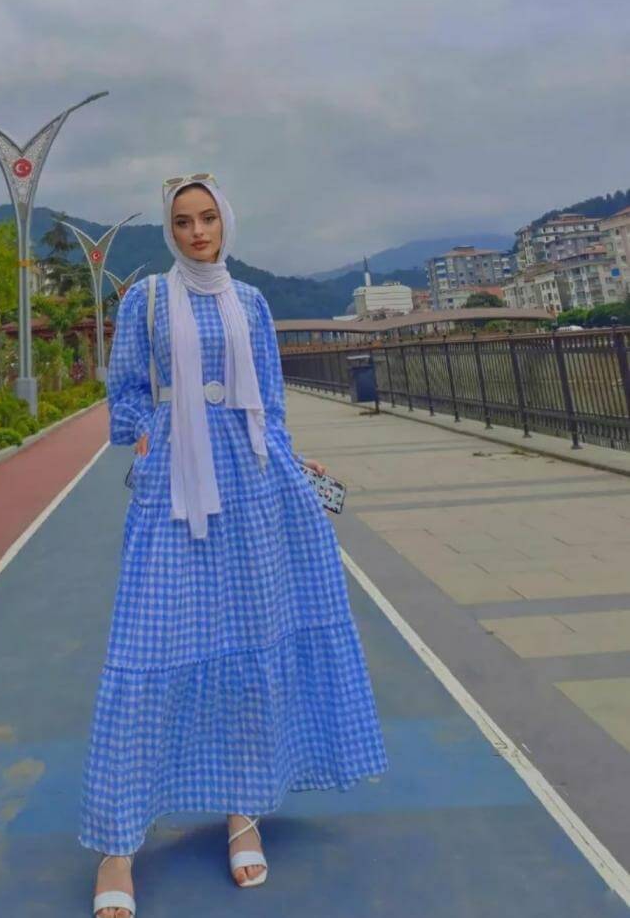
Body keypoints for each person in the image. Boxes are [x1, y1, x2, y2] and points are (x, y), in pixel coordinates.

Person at [79, 174, 389, 918]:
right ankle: (117, 847)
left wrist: (292, 461)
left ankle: (242, 812)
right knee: (145, 648)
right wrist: (148, 435)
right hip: (175, 480)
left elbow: (270, 405)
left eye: (208, 218)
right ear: (170, 229)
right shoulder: (147, 299)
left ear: (226, 222)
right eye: (184, 221)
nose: (197, 232)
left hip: (250, 479)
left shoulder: (249, 302)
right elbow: (125, 391)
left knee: (253, 640)